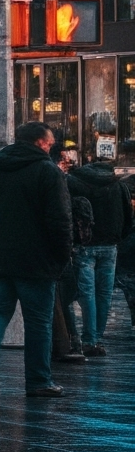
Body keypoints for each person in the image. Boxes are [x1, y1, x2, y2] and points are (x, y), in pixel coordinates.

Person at [0, 122, 74, 401]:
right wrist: (62, 256)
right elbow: (59, 220)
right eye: (49, 144)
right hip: (37, 260)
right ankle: (38, 380)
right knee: (38, 320)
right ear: (41, 143)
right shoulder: (47, 172)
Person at [67, 145, 130, 356]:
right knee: (104, 293)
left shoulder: (74, 183)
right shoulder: (118, 186)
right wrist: (117, 237)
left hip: (85, 246)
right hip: (110, 246)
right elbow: (128, 219)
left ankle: (89, 338)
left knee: (87, 294)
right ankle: (95, 338)